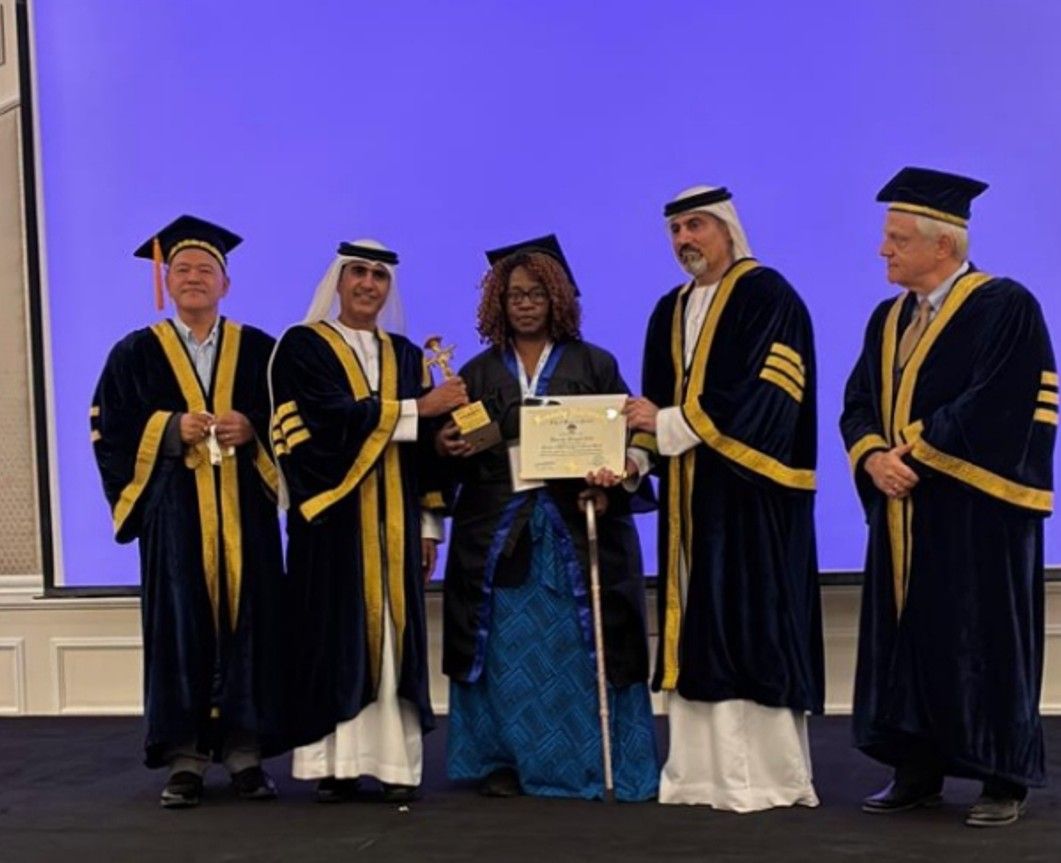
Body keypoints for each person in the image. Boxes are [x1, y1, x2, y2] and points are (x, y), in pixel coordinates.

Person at [840, 167, 1056, 828]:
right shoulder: (886, 318)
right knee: (910, 639)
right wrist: (872, 457)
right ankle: (917, 767)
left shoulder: (1004, 305)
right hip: (902, 511)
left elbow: (1002, 401)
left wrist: (909, 451)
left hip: (977, 515)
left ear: (943, 244)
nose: (882, 249)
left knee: (983, 641)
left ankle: (1001, 776)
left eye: (897, 239)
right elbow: (857, 401)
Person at [438, 234, 659, 801]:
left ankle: (589, 760)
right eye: (514, 295)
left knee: (578, 651)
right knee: (506, 651)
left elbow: (636, 437)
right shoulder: (478, 372)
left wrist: (622, 471)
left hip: (576, 530)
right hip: (499, 537)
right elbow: (459, 453)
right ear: (498, 301)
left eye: (537, 293)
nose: (525, 304)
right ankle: (503, 760)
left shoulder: (594, 363)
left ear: (558, 297)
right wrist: (448, 446)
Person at [624, 186, 824, 812]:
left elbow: (773, 395)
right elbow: (651, 405)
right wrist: (633, 460)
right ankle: (697, 777)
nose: (684, 239)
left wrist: (671, 423)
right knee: (698, 630)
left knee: (752, 626)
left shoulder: (769, 295)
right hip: (688, 507)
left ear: (728, 229)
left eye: (696, 225)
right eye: (675, 230)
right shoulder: (669, 309)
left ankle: (766, 780)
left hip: (751, 499)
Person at [90, 215, 286, 808]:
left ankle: (247, 754)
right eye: (182, 269)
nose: (194, 277)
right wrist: (169, 430)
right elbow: (109, 430)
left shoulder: (261, 350)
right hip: (174, 521)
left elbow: (290, 420)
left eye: (206, 269)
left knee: (251, 624)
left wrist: (252, 427)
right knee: (180, 629)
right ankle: (186, 759)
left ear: (226, 283)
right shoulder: (134, 354)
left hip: (246, 516)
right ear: (166, 281)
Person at [269, 239, 466, 803]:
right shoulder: (302, 345)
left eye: (379, 276)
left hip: (397, 527)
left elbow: (422, 451)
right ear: (338, 280)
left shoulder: (405, 355)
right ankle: (333, 765)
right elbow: (322, 421)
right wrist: (419, 409)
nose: (367, 284)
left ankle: (395, 763)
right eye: (357, 272)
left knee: (393, 642)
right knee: (333, 639)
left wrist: (429, 524)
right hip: (330, 527)